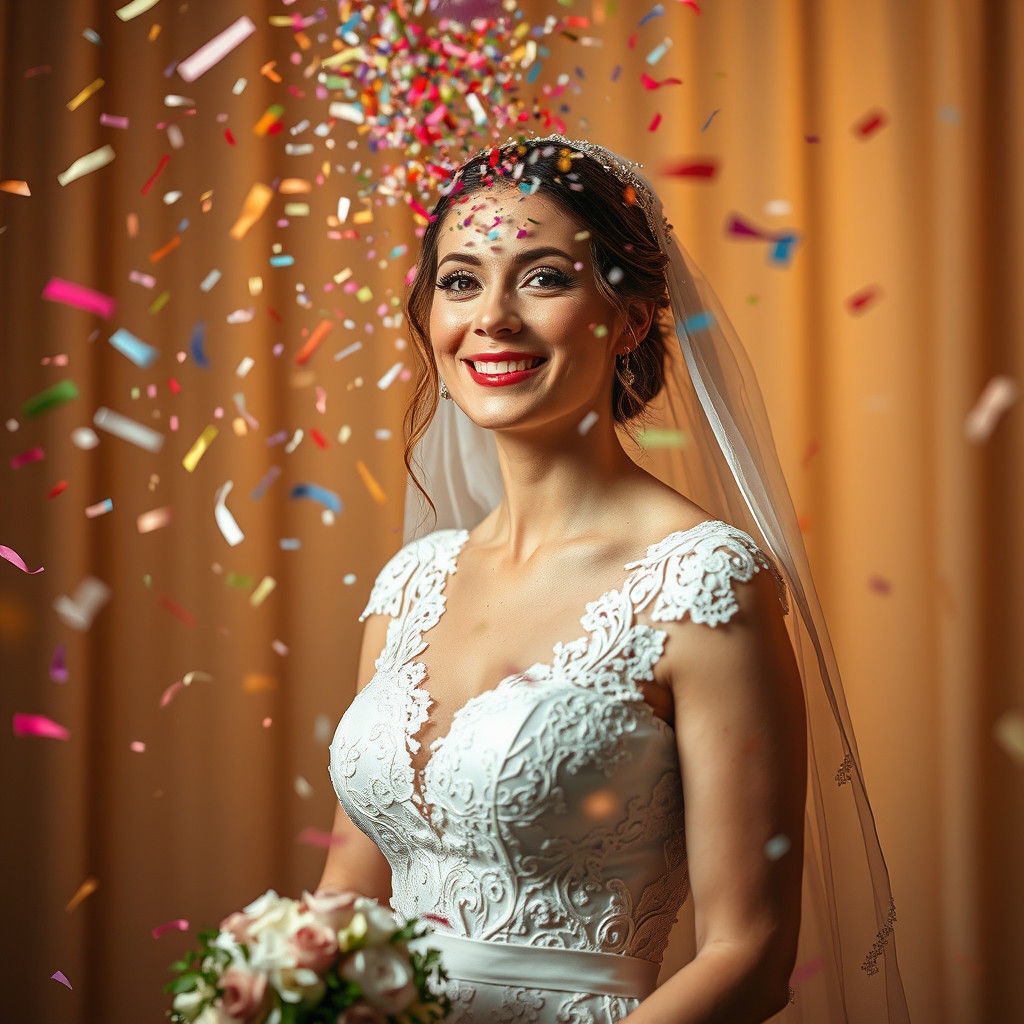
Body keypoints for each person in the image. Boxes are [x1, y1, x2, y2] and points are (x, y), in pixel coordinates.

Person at [319, 135, 911, 1024]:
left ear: (629, 317)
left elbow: (748, 955)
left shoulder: (703, 585)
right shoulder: (410, 584)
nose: (493, 318)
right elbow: (346, 897)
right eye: (460, 279)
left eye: (545, 277)